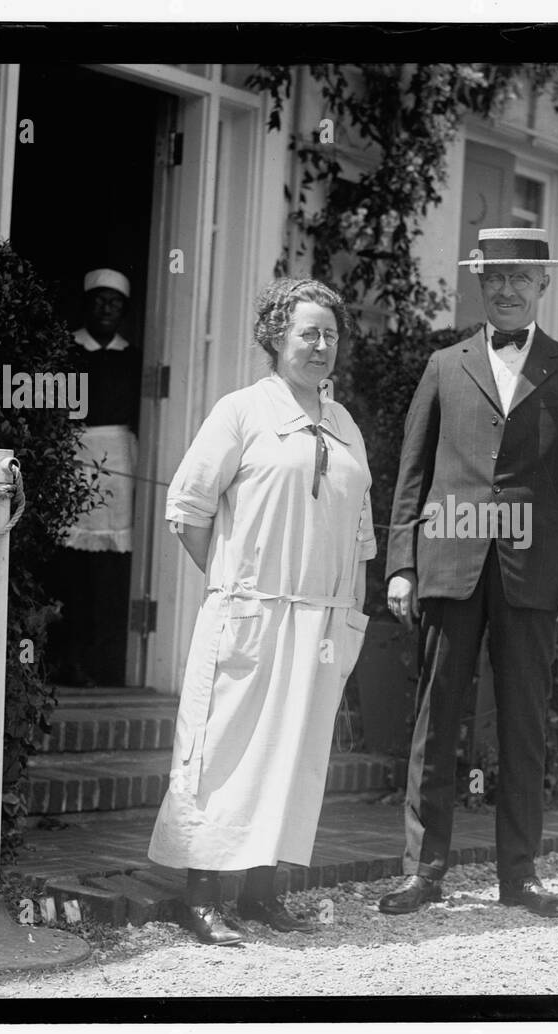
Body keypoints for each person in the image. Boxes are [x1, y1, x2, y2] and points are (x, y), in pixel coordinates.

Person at [380, 227, 558, 918]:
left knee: (524, 725)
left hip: (533, 574)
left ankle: (520, 874)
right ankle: (424, 872)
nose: (507, 288)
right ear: (480, 282)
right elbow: (412, 474)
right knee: (434, 721)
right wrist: (401, 564)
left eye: (521, 276)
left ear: (544, 284)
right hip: (449, 565)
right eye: (495, 276)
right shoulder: (444, 365)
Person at [146, 278, 375, 945]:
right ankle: (202, 897)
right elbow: (188, 511)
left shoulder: (344, 422)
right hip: (250, 613)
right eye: (308, 332)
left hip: (321, 620)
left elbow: (360, 532)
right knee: (223, 753)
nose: (321, 345)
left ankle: (263, 892)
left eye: (330, 334)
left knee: (295, 754)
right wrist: (236, 585)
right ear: (275, 338)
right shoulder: (241, 411)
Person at [47, 267, 142, 687]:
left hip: (118, 458)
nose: (107, 309)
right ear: (87, 305)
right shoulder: (66, 349)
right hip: (74, 451)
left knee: (109, 565)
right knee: (70, 560)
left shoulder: (132, 356)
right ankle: (62, 655)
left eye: (115, 302)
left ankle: (98, 658)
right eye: (99, 300)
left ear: (123, 310)